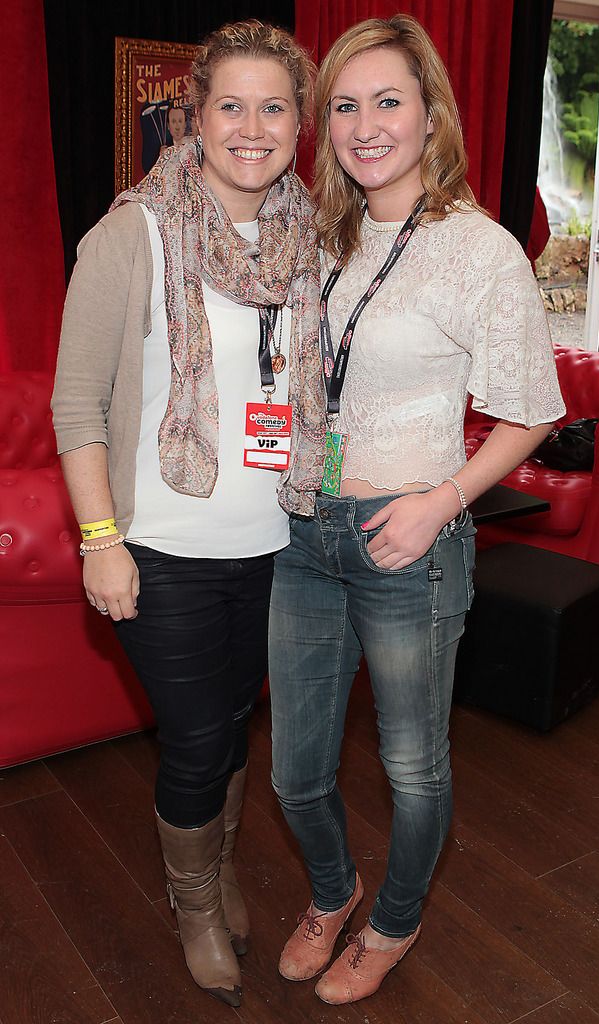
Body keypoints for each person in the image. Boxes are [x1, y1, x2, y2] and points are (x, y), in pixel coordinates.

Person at [268, 14, 565, 1007]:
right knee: (292, 772)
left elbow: (530, 411)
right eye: (343, 105)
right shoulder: (318, 236)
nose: (362, 124)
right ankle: (331, 889)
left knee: (410, 768)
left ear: (428, 111)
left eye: (385, 100)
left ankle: (391, 921)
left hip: (410, 539)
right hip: (304, 532)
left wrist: (437, 502)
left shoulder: (477, 250)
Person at [52, 19, 323, 1008]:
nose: (251, 126)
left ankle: (218, 871)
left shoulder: (304, 237)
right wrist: (99, 539)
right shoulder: (134, 231)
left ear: (298, 120)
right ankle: (196, 900)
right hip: (157, 546)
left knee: (235, 727)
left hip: (274, 543)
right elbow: (75, 399)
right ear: (194, 116)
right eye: (230, 105)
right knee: (200, 736)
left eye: (273, 105)